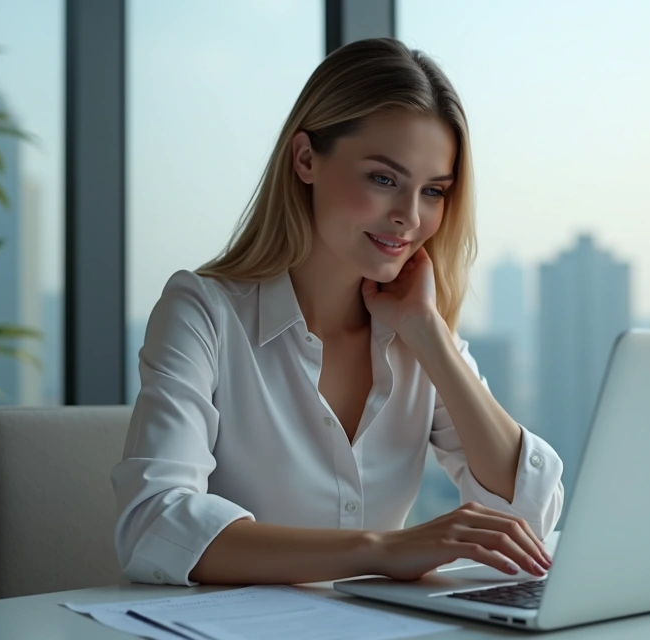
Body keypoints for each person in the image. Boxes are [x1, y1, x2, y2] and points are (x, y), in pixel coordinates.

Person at [112, 38, 564, 588]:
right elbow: (155, 523)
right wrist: (379, 549)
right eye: (383, 179)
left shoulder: (416, 332)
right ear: (306, 159)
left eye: (433, 192)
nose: (408, 217)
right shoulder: (203, 312)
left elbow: (527, 517)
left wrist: (431, 338)